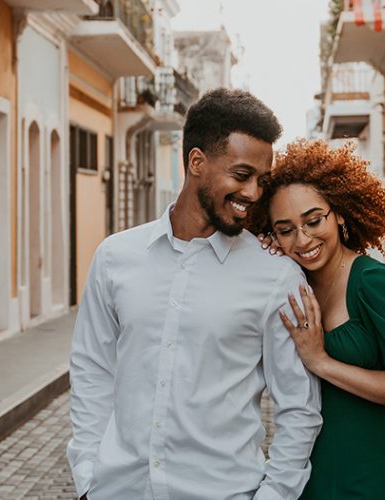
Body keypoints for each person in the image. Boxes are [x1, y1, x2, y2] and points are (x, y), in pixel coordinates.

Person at [67, 88, 322, 500]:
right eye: (241, 175)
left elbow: (300, 408)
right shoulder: (116, 257)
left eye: (262, 180)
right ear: (196, 161)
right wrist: (88, 473)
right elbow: (92, 370)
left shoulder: (276, 276)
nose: (254, 193)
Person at [246, 139, 385, 500]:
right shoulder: (291, 281)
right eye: (285, 229)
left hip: (370, 484)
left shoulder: (374, 283)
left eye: (313, 220)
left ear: (338, 213)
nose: (303, 239)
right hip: (305, 485)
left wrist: (321, 361)